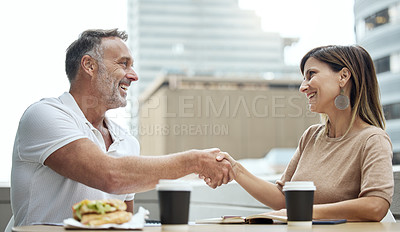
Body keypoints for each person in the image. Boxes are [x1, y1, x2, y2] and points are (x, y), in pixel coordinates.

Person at [10, 29, 233, 226]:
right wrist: (194, 162)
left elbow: (125, 223)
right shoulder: (44, 115)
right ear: (89, 65)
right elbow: (110, 176)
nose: (134, 76)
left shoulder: (128, 142)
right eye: (123, 64)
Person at [220, 45, 394, 222]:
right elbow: (283, 199)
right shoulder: (311, 136)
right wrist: (235, 169)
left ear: (343, 76)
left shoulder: (373, 140)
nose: (303, 87)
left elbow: (375, 206)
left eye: (311, 74)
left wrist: (302, 212)